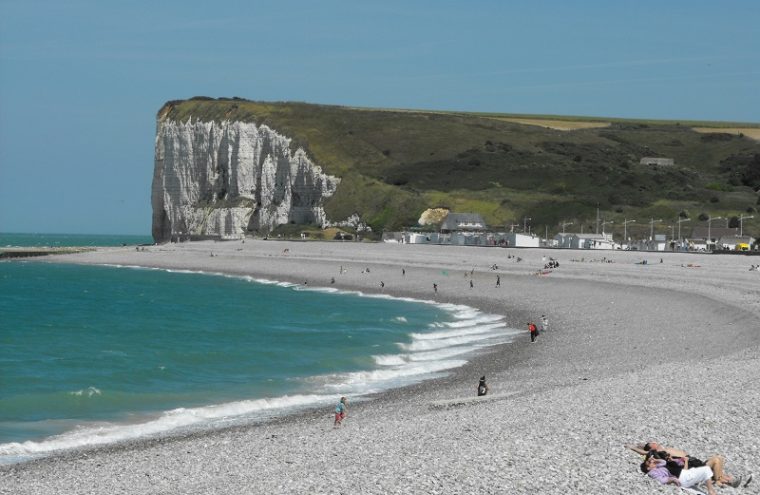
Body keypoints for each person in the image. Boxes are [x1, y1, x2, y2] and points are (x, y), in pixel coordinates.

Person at [641, 454, 717, 495]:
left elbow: (663, 462)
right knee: (706, 469)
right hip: (682, 477)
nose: (652, 462)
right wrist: (673, 480)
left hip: (684, 474)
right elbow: (662, 480)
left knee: (705, 470)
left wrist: (655, 460)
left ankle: (711, 488)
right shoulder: (653, 472)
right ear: (648, 468)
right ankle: (711, 491)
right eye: (650, 462)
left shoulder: (657, 467)